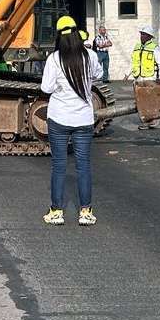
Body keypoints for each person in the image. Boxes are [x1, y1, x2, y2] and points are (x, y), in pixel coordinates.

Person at [41, 15, 104, 226]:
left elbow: (46, 88)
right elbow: (98, 75)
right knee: (83, 165)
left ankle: (56, 212)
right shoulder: (90, 56)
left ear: (59, 35)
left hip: (59, 118)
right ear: (77, 32)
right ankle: (85, 212)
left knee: (59, 166)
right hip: (83, 119)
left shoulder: (54, 59)